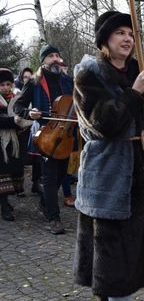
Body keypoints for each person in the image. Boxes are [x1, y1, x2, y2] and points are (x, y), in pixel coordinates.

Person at [71, 11, 144, 301]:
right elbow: (104, 125)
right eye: (119, 33)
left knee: (131, 254)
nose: (127, 39)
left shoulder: (138, 71)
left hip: (136, 174)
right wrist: (133, 94)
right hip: (107, 176)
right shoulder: (88, 76)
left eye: (130, 33)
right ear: (104, 40)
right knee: (111, 263)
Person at [13, 44, 74, 234]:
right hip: (45, 133)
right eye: (50, 56)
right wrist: (28, 112)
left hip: (65, 133)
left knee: (63, 173)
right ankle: (53, 218)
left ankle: (43, 202)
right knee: (49, 175)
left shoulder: (68, 80)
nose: (55, 59)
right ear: (43, 61)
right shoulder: (34, 82)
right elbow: (18, 106)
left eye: (57, 55)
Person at [0, 68, 29, 221]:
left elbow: (21, 117)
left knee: (12, 171)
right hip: (1, 143)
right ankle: (4, 207)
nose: (5, 87)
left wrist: (23, 123)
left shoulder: (15, 100)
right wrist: (13, 121)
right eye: (2, 84)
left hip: (13, 142)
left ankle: (4, 202)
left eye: (8, 84)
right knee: (2, 173)